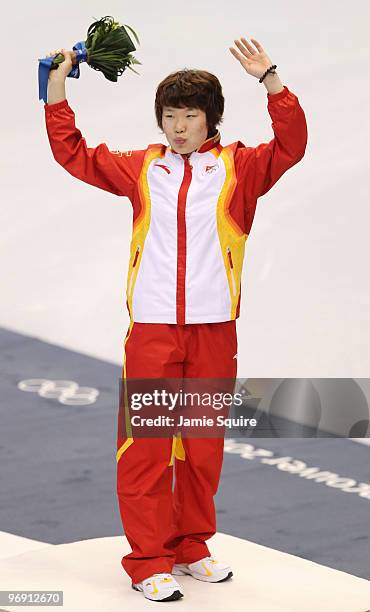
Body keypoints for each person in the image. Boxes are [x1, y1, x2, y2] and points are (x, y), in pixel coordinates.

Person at [43, 35, 307, 602]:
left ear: (210, 119)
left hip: (215, 329)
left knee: (202, 444)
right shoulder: (142, 170)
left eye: (190, 116)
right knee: (147, 447)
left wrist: (271, 79)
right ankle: (146, 559)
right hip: (156, 331)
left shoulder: (241, 168)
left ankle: (191, 546)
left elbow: (293, 143)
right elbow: (73, 153)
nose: (179, 126)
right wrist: (57, 86)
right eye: (170, 115)